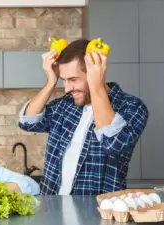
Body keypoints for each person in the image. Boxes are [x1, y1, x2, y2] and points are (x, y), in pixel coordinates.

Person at [18, 39, 149, 195]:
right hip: (53, 209)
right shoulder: (64, 105)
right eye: (64, 80)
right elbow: (28, 122)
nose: (67, 89)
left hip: (97, 212)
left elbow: (114, 143)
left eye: (73, 80)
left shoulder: (131, 106)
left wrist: (96, 84)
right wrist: (51, 82)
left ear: (95, 71)